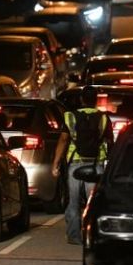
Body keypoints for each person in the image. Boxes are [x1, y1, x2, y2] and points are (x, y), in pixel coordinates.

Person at [52, 86, 113, 245]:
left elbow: (63, 141)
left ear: (81, 99)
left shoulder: (70, 116)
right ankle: (93, 235)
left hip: (75, 164)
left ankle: (74, 236)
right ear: (96, 100)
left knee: (73, 201)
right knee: (94, 203)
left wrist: (55, 164)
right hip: (95, 165)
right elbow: (110, 143)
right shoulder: (104, 118)